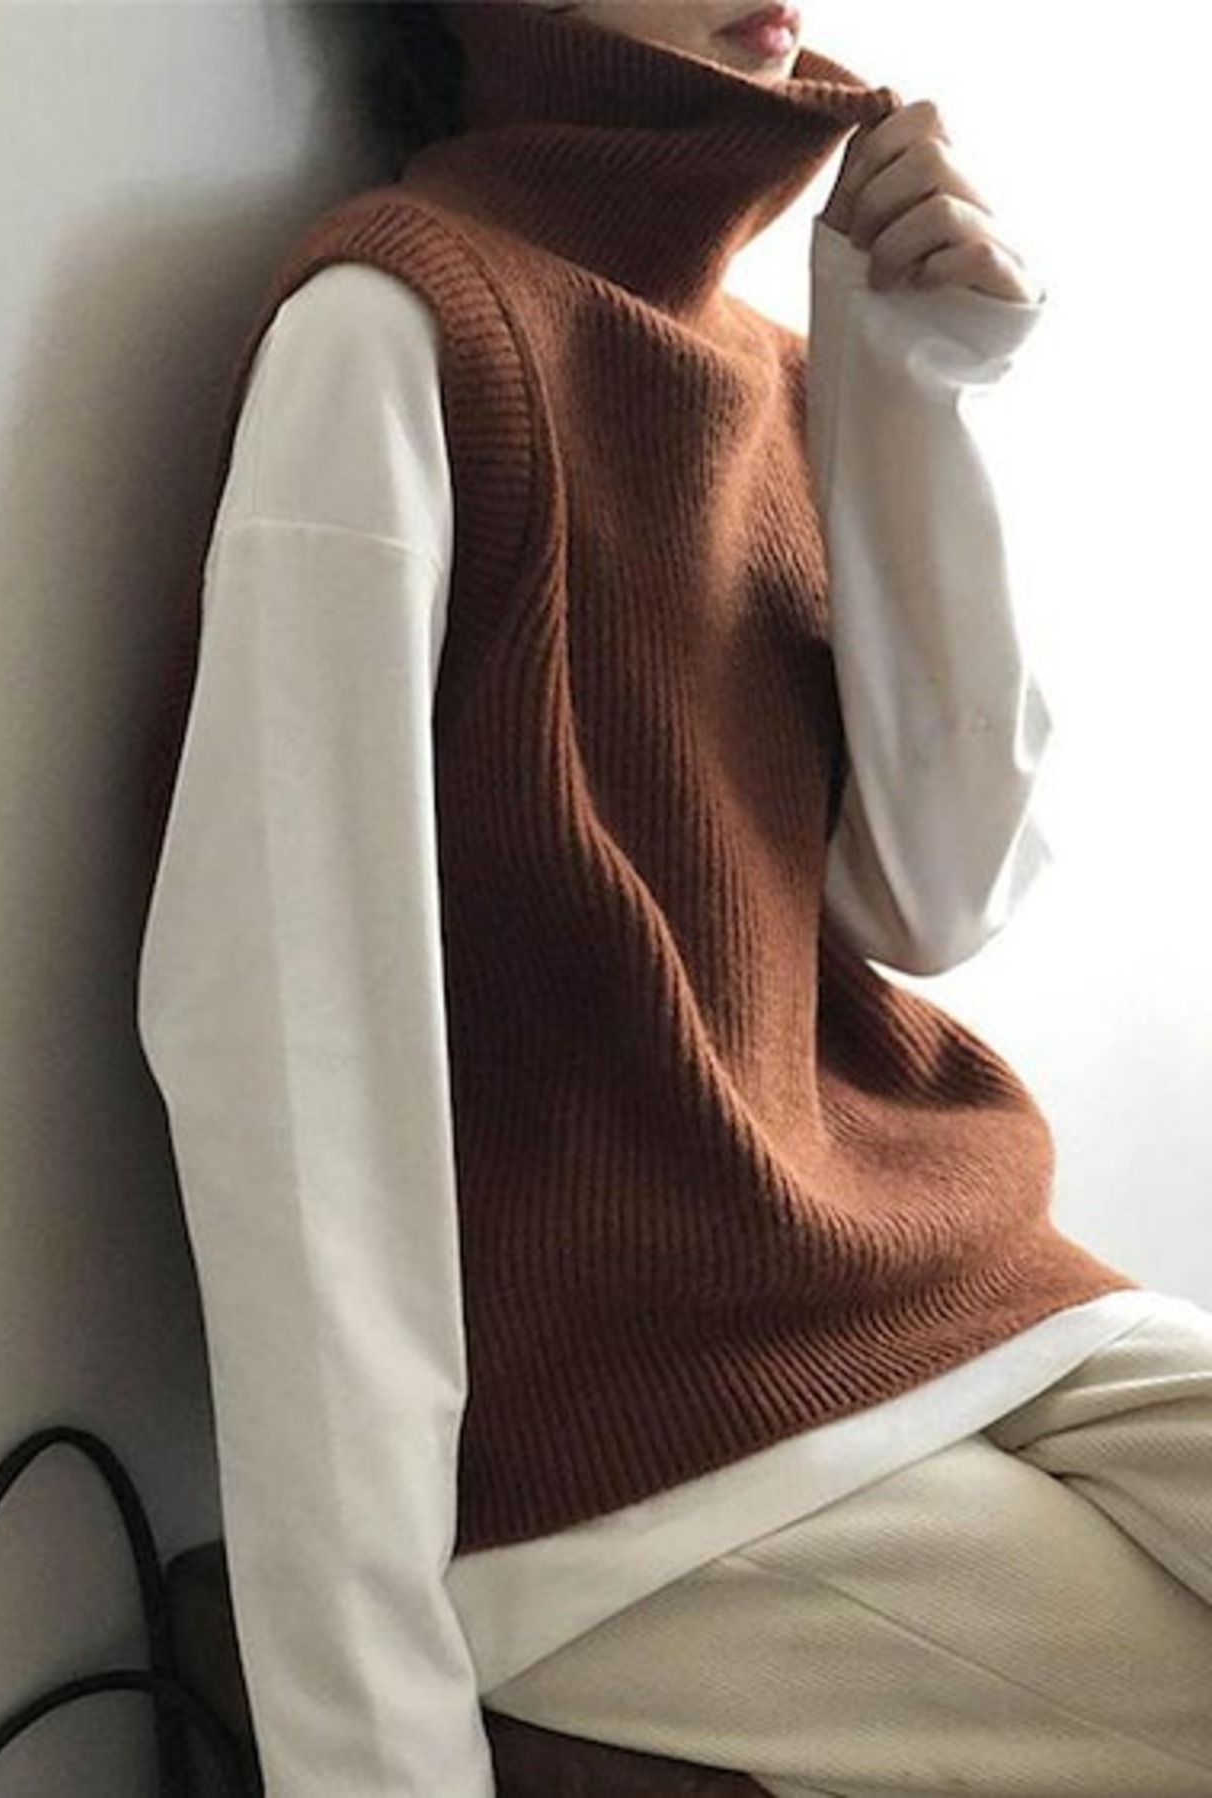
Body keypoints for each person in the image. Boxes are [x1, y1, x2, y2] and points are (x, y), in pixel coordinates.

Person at [134, 4, 1212, 1793]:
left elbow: (935, 896)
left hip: (952, 1297)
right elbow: (287, 1077)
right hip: (631, 1464)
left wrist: (910, 386)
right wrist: (371, 1753)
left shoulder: (769, 358)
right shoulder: (394, 328)